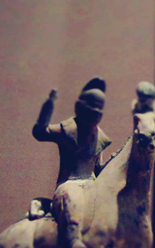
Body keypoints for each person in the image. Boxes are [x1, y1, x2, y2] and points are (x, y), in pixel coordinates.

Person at [28, 78, 112, 222]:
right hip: (69, 183)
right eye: (90, 110)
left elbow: (97, 167)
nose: (93, 116)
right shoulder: (66, 131)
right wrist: (48, 105)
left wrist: (113, 164)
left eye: (97, 112)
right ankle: (70, 233)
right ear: (79, 108)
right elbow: (39, 132)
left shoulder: (99, 138)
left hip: (92, 185)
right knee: (71, 204)